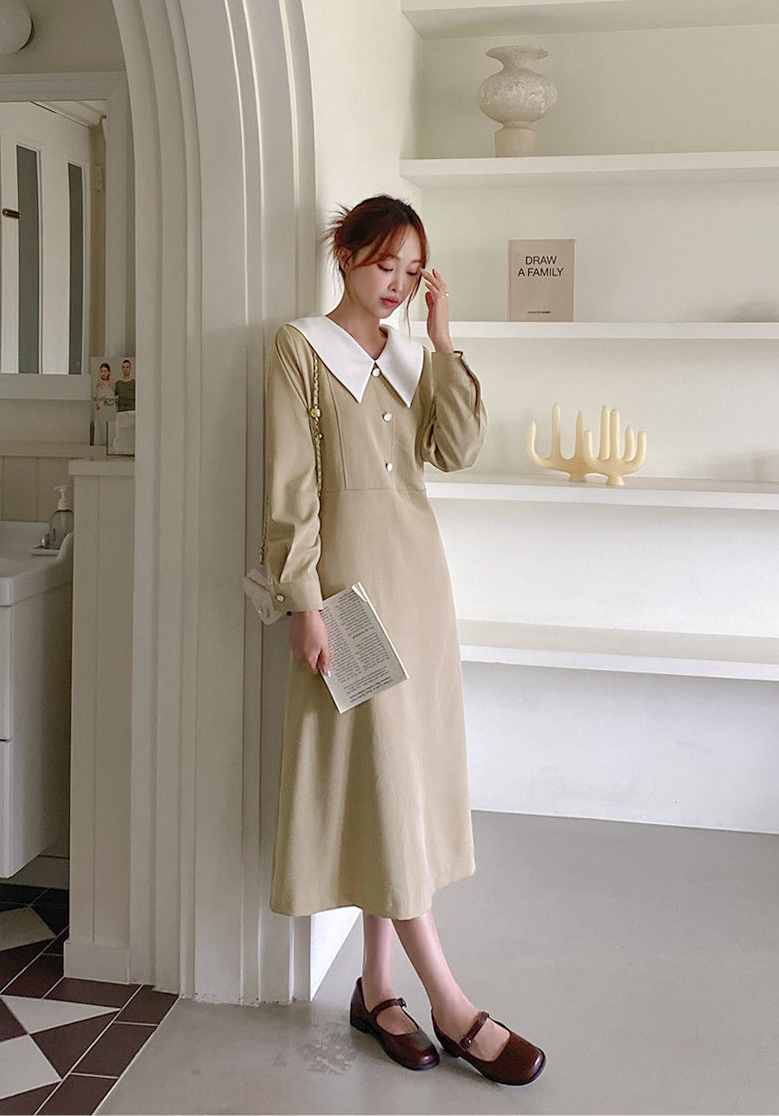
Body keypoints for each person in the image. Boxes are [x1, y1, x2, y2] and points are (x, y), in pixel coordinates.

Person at [262, 195, 546, 1086]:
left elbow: (457, 449)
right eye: (387, 263)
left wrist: (443, 336)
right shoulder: (300, 348)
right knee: (383, 784)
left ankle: (377, 987)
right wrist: (303, 601)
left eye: (414, 271)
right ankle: (453, 1006)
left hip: (421, 591)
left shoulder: (412, 357)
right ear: (346, 254)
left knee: (399, 785)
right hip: (349, 595)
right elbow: (291, 487)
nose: (399, 283)